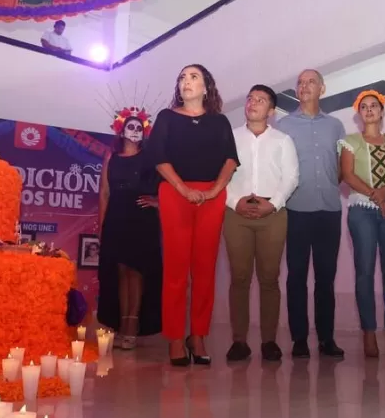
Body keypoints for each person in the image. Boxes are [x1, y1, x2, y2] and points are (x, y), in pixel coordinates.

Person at [148, 64, 238, 366]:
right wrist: (182, 189)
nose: (187, 82)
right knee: (176, 269)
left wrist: (213, 191)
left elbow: (230, 159)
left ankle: (198, 335)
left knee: (205, 269)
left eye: (193, 77)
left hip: (211, 196)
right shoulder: (167, 117)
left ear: (206, 87)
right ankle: (175, 337)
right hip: (175, 193)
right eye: (182, 78)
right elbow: (158, 157)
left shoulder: (219, 121)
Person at [223, 85, 299, 363]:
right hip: (236, 213)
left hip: (273, 213)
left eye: (261, 100)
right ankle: (239, 341)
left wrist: (273, 203)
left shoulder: (283, 140)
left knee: (269, 279)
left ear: (271, 110)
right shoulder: (229, 138)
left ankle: (269, 341)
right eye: (250, 98)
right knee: (239, 278)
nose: (253, 103)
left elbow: (291, 178)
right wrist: (234, 203)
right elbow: (220, 177)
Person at [278, 69, 347, 358]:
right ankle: (299, 339)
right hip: (295, 209)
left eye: (311, 82)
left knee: (326, 278)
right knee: (296, 276)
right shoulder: (283, 125)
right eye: (300, 83)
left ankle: (326, 339)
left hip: (329, 208)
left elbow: (343, 166)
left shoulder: (336, 126)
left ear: (322, 88)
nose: (304, 86)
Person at [339, 90, 385, 358]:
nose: (369, 110)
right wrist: (375, 195)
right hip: (361, 209)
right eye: (364, 107)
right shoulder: (350, 141)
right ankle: (369, 333)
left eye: (373, 106)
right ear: (359, 114)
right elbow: (347, 174)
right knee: (364, 272)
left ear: (382, 112)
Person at [97, 108, 162, 350]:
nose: (135, 131)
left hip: (141, 218)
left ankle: (133, 327)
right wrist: (102, 225)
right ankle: (123, 324)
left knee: (137, 272)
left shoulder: (151, 158)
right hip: (116, 217)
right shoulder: (110, 157)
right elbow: (104, 193)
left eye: (139, 127)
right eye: (130, 126)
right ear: (121, 129)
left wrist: (158, 201)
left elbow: (167, 185)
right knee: (121, 271)